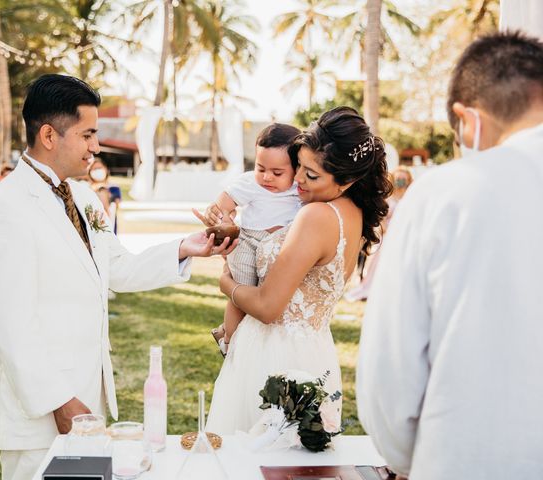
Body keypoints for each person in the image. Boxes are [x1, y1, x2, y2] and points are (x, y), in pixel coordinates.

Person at [0, 74, 236, 480]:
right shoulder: (3, 208)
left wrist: (185, 247)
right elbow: (7, 324)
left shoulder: (82, 196)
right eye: (88, 134)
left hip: (87, 403)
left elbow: (119, 268)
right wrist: (59, 402)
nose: (96, 146)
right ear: (48, 135)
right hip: (40, 411)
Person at [357, 31, 543, 479]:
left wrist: (407, 459)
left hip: (467, 460)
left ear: (466, 118)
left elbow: (390, 372)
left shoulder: (444, 193)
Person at [206, 107, 392, 434]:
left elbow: (267, 306)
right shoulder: (353, 213)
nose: (299, 181)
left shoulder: (316, 217)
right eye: (299, 168)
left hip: (273, 358)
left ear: (347, 179)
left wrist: (226, 282)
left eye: (312, 175)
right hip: (314, 353)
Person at [197, 123, 301, 355]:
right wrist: (222, 216)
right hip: (248, 241)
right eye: (260, 167)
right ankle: (230, 342)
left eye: (277, 173)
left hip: (278, 248)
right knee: (242, 293)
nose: (266, 177)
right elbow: (224, 202)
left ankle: (230, 333)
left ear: (296, 168)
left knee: (268, 295)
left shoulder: (300, 189)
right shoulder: (249, 183)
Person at [343, 166, 413, 302]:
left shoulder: (410, 197)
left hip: (404, 237)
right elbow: (380, 219)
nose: (401, 182)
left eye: (403, 179)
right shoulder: (387, 198)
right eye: (398, 179)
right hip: (387, 235)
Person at [87, 158, 121, 234]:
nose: (97, 171)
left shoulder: (114, 188)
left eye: (99, 168)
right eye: (94, 169)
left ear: (105, 169)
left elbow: (116, 205)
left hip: (110, 225)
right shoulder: (86, 189)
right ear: (90, 172)